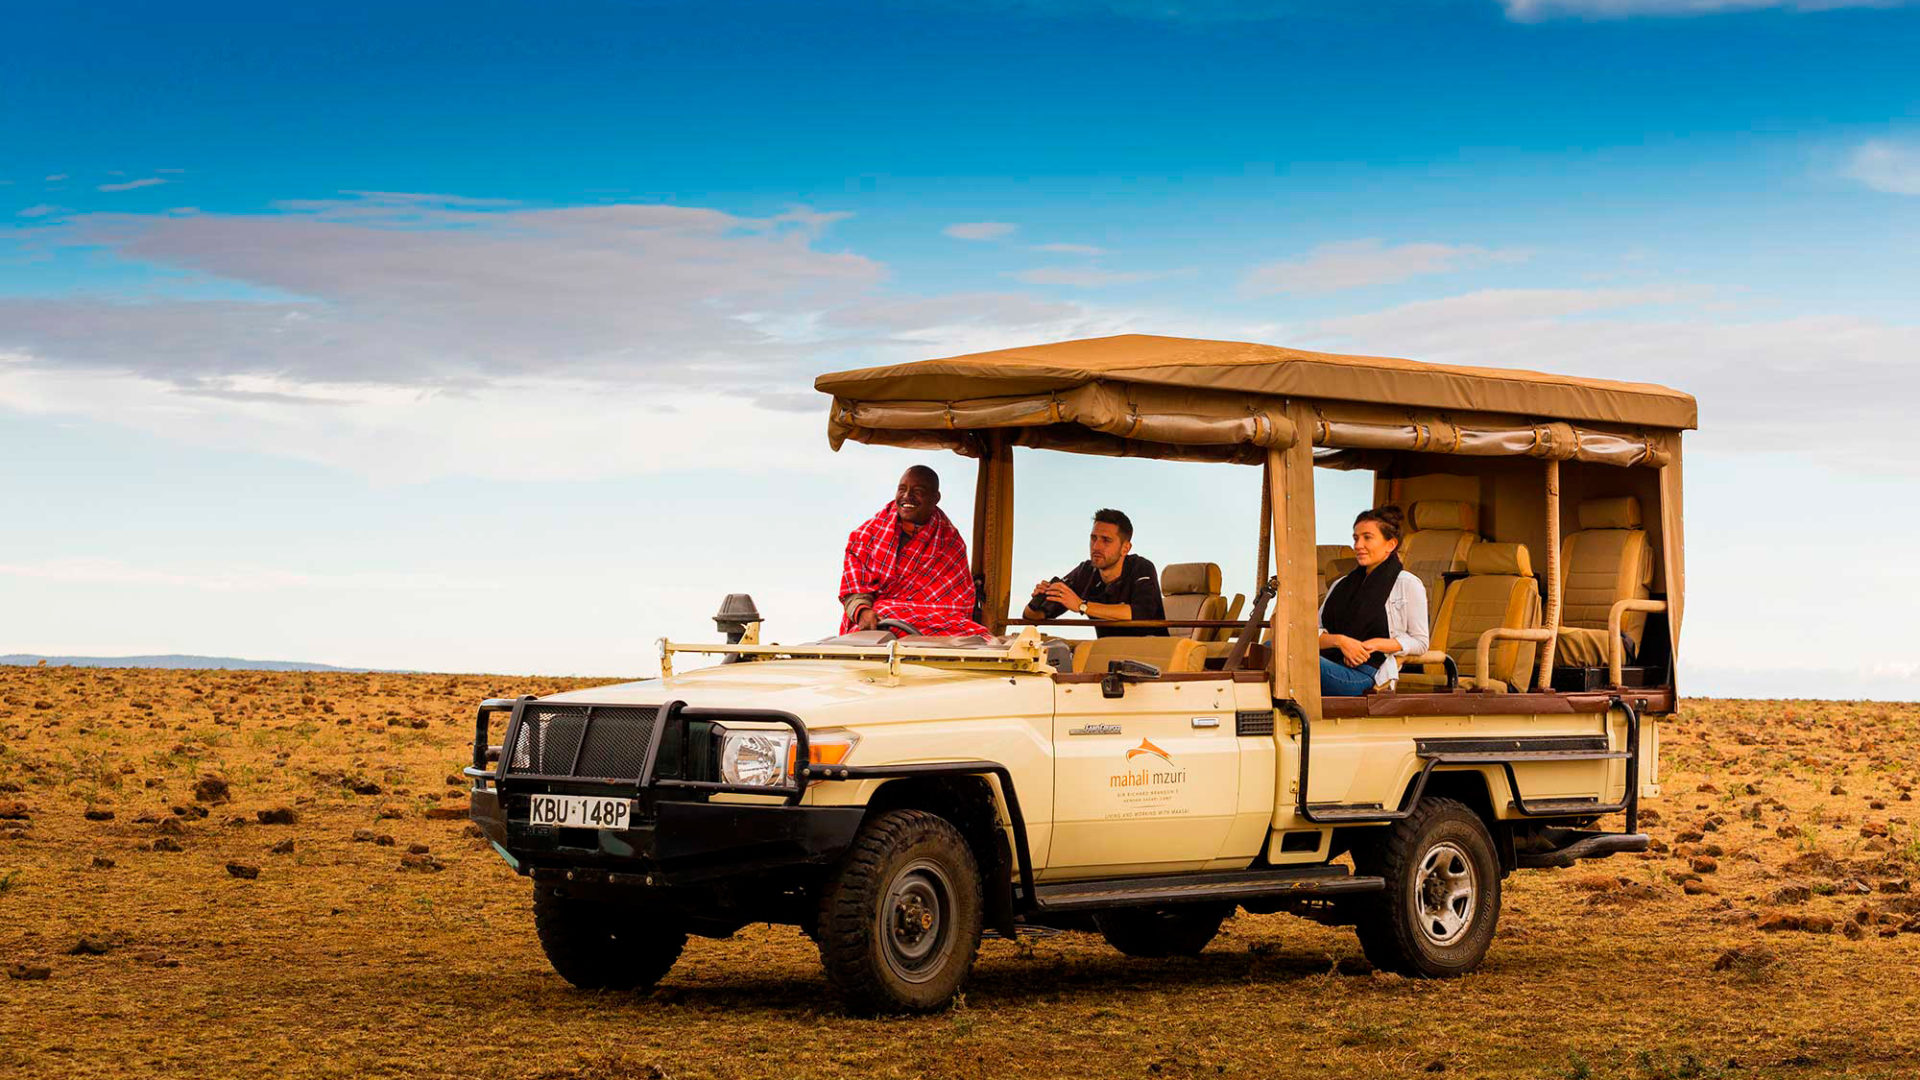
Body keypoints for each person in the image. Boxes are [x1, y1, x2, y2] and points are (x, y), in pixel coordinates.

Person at [839, 465, 989, 638]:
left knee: (978, 637)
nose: (907, 496)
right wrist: (862, 611)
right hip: (874, 625)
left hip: (935, 627)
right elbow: (853, 589)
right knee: (881, 612)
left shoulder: (949, 541)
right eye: (902, 489)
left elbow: (957, 607)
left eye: (917, 491)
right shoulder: (866, 535)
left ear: (936, 498)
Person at [1318, 505, 1429, 696]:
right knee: (1273, 650)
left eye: (1367, 538)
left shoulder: (1407, 583)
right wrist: (1341, 642)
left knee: (1284, 657)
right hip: (1331, 662)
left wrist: (1376, 644)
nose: (1358, 545)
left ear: (1390, 545)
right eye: (1355, 538)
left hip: (1368, 675)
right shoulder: (1340, 585)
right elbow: (1311, 635)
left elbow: (1420, 642)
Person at [1021, 508, 1167, 638]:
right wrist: (1037, 602)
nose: (1096, 547)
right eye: (1093, 538)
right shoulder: (1086, 571)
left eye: (1106, 540)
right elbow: (1034, 617)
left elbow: (1140, 613)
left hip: (1152, 656)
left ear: (1125, 548)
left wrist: (1082, 606)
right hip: (1107, 657)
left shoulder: (1141, 567)